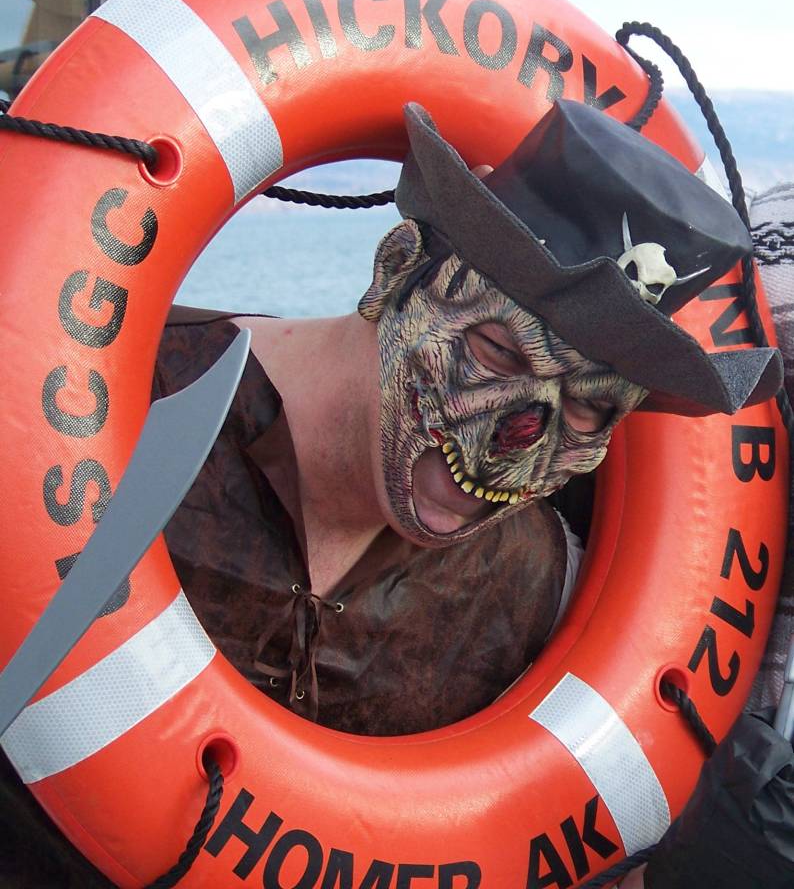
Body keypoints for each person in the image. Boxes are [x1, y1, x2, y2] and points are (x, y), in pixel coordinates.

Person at [0, 99, 783, 886]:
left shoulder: (542, 593)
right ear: (396, 268)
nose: (517, 443)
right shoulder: (116, 408)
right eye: (497, 351)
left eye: (588, 407)